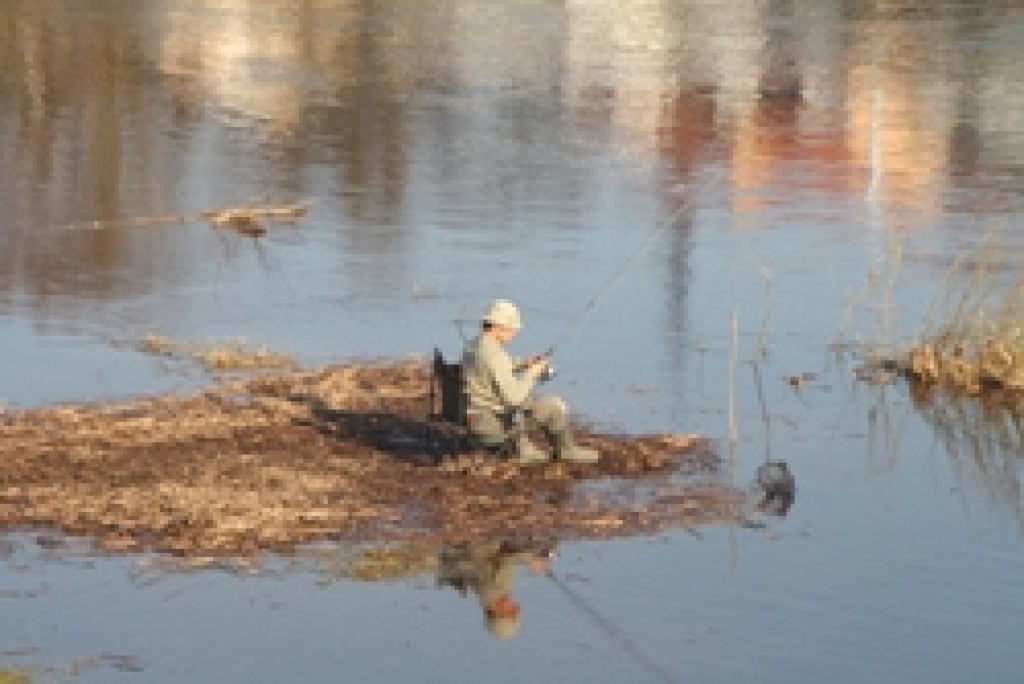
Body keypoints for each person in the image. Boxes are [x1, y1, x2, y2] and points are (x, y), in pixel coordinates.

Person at [461, 299, 599, 465]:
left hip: (475, 418)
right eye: (512, 329)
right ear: (498, 326)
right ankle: (564, 451)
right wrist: (532, 373)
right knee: (554, 405)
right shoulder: (494, 355)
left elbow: (495, 369)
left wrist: (524, 363)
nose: (515, 333)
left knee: (528, 402)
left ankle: (524, 447)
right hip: (491, 426)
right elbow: (514, 398)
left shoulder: (475, 345)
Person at [437, 539, 555, 640]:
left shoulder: (495, 588)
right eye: (516, 609)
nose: (516, 605)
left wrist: (532, 560)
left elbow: (507, 556)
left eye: (513, 611)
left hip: (484, 538)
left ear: (497, 613)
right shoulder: (487, 594)